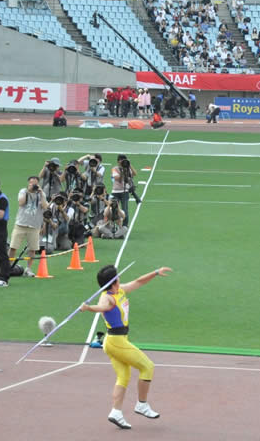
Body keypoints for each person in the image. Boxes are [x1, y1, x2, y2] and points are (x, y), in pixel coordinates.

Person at [79, 264, 173, 429]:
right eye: (117, 277)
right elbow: (102, 307)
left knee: (123, 376)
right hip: (116, 341)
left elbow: (138, 282)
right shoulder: (107, 297)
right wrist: (88, 308)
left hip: (115, 341)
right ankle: (141, 404)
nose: (120, 279)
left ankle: (116, 412)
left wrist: (156, 272)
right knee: (148, 367)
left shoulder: (120, 290)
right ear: (113, 281)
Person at [8, 176, 48, 279]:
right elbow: (21, 203)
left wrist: (41, 195)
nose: (33, 185)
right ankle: (7, 267)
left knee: (32, 249)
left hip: (34, 226)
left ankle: (28, 269)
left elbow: (45, 207)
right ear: (28, 183)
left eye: (35, 183)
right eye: (31, 183)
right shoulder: (23, 191)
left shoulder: (41, 194)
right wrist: (28, 192)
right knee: (13, 247)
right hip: (21, 224)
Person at [111, 155, 138, 226]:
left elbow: (135, 173)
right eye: (121, 160)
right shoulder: (115, 168)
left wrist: (129, 165)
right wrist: (123, 171)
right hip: (115, 191)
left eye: (124, 160)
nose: (122, 161)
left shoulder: (127, 169)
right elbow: (116, 177)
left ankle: (125, 225)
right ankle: (114, 224)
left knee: (125, 209)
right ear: (118, 161)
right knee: (114, 208)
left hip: (125, 191)